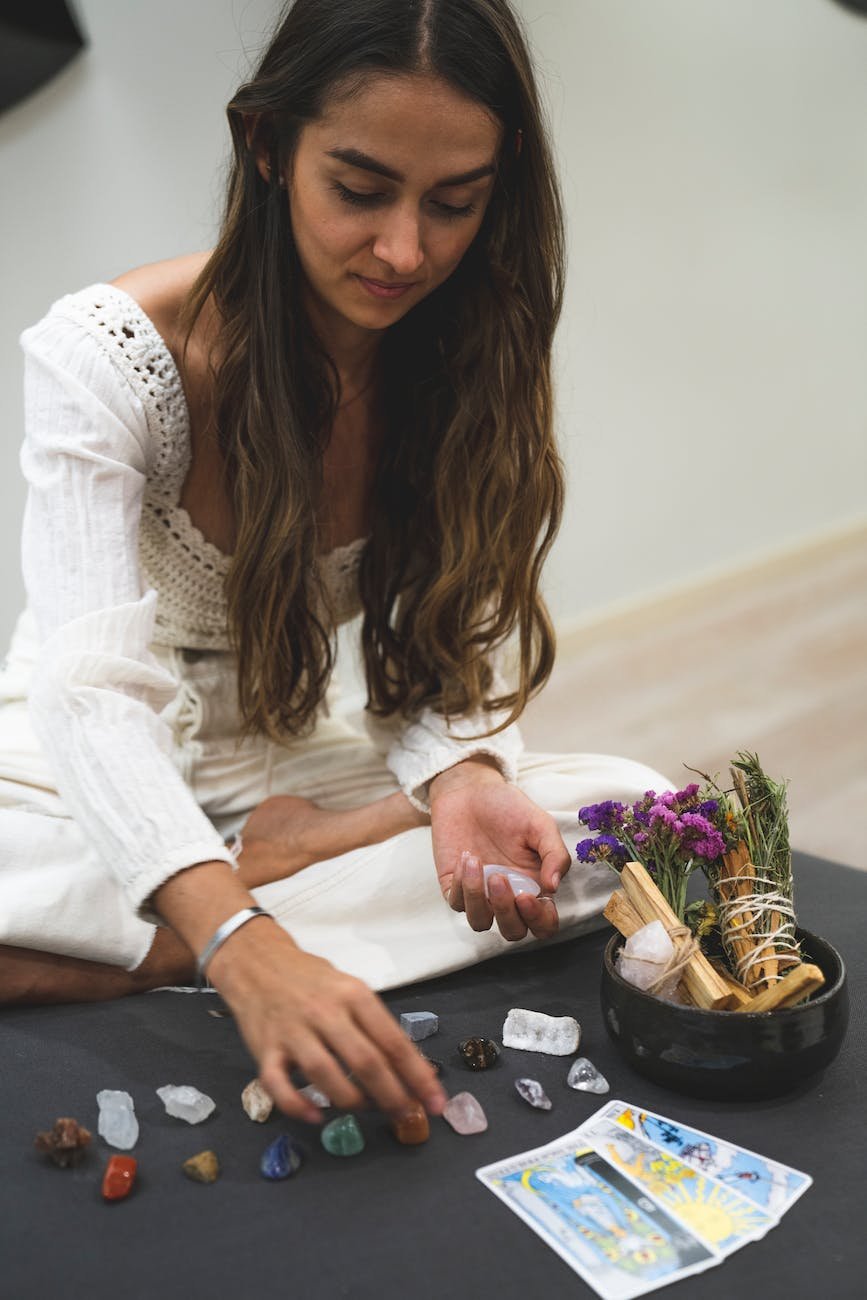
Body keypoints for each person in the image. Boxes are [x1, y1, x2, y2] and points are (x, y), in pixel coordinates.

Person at [0, 0, 668, 1123]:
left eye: (454, 203)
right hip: (73, 767)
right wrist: (233, 941)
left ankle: (208, 912)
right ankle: (219, 927)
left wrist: (460, 782)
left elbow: (449, 666)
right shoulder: (106, 354)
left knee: (634, 817)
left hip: (291, 768)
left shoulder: (465, 349)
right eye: (360, 191)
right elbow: (90, 698)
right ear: (267, 145)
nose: (406, 250)